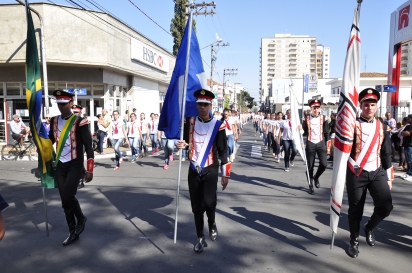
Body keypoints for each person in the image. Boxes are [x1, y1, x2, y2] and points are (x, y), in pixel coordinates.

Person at [176, 89, 231, 254]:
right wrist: (181, 145)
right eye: (200, 104)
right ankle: (200, 237)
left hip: (211, 168)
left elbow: (223, 150)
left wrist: (225, 174)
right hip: (194, 168)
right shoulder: (190, 121)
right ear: (196, 104)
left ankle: (212, 223)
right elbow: (185, 141)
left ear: (210, 105)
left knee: (209, 202)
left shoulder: (218, 125)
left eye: (205, 104)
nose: (202, 107)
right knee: (196, 206)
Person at [345, 88, 394, 258]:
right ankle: (354, 241)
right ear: (361, 105)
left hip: (377, 171)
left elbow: (386, 152)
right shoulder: (352, 125)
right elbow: (342, 151)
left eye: (373, 104)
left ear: (376, 106)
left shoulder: (383, 125)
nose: (369, 108)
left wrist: (389, 176)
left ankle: (370, 227)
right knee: (355, 210)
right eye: (366, 104)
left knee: (386, 206)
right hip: (356, 172)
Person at [48, 89, 94, 246]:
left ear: (71, 103)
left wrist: (89, 170)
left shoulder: (79, 122)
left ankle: (81, 217)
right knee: (64, 201)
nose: (61, 107)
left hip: (75, 164)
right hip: (60, 165)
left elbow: (89, 147)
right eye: (58, 104)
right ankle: (72, 231)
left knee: (68, 196)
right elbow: (50, 141)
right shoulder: (54, 121)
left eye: (63, 104)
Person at [301, 99, 329, 194]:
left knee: (324, 164)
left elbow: (326, 133)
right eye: (314, 108)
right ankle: (310, 185)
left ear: (320, 108)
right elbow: (304, 132)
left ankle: (316, 177)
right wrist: (300, 128)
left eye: (317, 108)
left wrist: (328, 146)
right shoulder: (306, 118)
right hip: (310, 143)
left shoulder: (324, 118)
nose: (316, 110)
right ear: (311, 108)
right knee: (310, 166)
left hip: (320, 142)